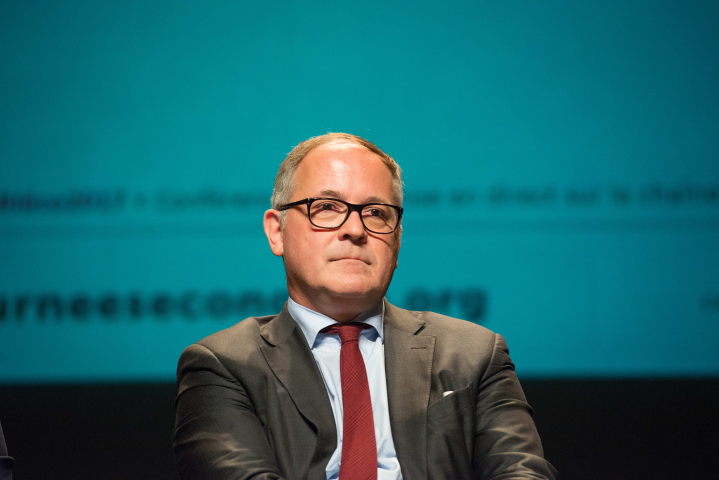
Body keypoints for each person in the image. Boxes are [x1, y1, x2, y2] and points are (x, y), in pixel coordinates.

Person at [173, 133, 557, 479]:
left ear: (398, 239)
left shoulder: (473, 354)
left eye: (376, 213)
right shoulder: (222, 365)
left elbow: (522, 474)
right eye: (325, 207)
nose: (356, 230)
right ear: (277, 231)